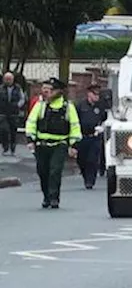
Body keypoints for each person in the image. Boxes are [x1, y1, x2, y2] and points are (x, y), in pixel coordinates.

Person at [25, 78, 82, 209]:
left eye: (49, 90)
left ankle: (54, 197)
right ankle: (46, 196)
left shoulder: (68, 107)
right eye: (45, 89)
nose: (46, 93)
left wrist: (74, 145)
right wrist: (30, 140)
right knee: (42, 171)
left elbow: (75, 126)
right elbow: (31, 122)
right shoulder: (40, 106)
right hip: (42, 144)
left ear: (58, 92)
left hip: (60, 144)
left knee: (55, 171)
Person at [74, 85, 109, 190]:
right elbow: (75, 120)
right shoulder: (80, 105)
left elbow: (105, 119)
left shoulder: (101, 106)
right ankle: (85, 175)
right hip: (82, 136)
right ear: (89, 94)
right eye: (95, 94)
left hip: (95, 137)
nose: (97, 96)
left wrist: (102, 127)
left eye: (98, 94)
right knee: (81, 160)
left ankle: (90, 181)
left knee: (92, 160)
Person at [1, 71, 26, 156]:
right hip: (3, 113)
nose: (8, 81)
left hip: (14, 113)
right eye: (6, 79)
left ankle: (13, 148)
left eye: (9, 79)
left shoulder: (18, 88)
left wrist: (17, 106)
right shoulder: (1, 88)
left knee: (13, 131)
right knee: (4, 130)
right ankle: (5, 148)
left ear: (13, 79)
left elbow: (22, 99)